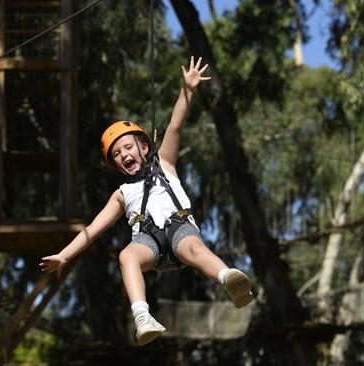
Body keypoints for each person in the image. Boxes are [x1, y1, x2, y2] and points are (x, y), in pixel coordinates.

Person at [40, 57, 253, 346]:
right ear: (114, 165)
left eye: (128, 147)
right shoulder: (121, 194)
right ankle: (143, 317)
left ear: (144, 146)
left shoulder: (165, 163)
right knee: (126, 256)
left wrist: (187, 90)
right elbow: (92, 229)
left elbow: (175, 126)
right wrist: (64, 256)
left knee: (192, 247)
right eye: (116, 154)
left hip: (179, 229)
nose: (124, 155)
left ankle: (228, 278)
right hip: (148, 241)